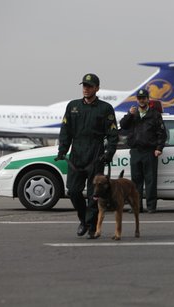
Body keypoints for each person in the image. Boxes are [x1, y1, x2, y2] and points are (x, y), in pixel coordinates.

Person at [56, 73, 119, 239]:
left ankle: (91, 226)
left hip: (95, 154)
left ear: (97, 88)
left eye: (90, 86)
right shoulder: (72, 106)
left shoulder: (105, 108)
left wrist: (109, 153)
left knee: (93, 194)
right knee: (73, 191)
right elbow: (65, 131)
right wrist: (62, 150)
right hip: (77, 154)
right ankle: (83, 219)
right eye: (84, 86)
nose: (86, 89)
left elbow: (113, 134)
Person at [119, 88, 167, 213]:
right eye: (139, 98)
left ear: (147, 99)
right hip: (135, 151)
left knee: (150, 180)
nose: (141, 100)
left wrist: (159, 148)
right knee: (136, 181)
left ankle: (151, 206)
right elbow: (123, 125)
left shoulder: (154, 114)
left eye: (144, 98)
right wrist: (129, 114)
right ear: (137, 100)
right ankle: (137, 206)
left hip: (149, 151)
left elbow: (162, 134)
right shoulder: (133, 114)